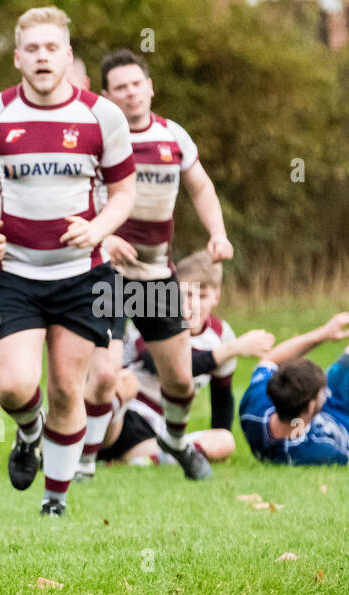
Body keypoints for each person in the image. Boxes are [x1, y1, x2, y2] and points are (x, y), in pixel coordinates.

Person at [0, 5, 136, 516]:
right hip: (14, 273)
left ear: (67, 55)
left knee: (65, 385)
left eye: (51, 48)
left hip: (82, 275)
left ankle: (54, 502)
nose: (41, 57)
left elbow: (124, 192)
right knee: (13, 386)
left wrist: (98, 229)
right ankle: (29, 433)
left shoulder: (102, 116)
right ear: (17, 58)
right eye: (32, 49)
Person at [76, 48, 234, 483]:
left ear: (150, 87)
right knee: (106, 374)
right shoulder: (98, 139)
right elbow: (72, 202)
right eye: (120, 87)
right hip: (107, 274)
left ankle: (177, 442)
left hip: (155, 276)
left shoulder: (173, 137)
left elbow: (200, 187)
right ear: (107, 95)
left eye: (136, 84)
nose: (130, 93)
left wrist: (217, 233)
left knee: (181, 382)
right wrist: (104, 237)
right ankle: (85, 463)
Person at [100, 252, 272, 466]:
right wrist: (232, 350)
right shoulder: (153, 318)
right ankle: (92, 448)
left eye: (202, 296)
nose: (193, 304)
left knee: (225, 440)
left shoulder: (221, 335)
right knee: (125, 382)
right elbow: (159, 366)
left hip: (154, 430)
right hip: (121, 417)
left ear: (216, 296)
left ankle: (139, 460)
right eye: (187, 294)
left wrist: (216, 444)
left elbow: (221, 399)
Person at [239, 312, 349, 465]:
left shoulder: (256, 407)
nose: (325, 391)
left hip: (324, 409)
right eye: (322, 391)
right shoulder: (316, 450)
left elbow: (270, 360)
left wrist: (323, 334)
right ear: (310, 406)